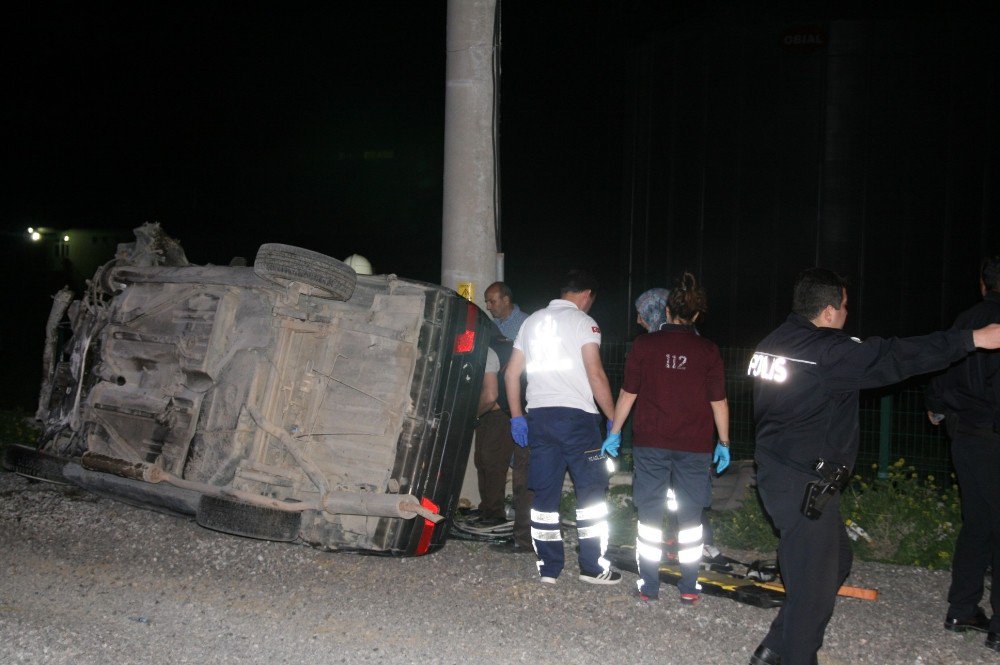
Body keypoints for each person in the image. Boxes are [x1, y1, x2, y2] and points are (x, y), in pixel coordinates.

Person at [747, 267, 1000, 665]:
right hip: (803, 483)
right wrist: (972, 339)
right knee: (813, 594)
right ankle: (792, 654)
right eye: (845, 306)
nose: (848, 313)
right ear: (828, 311)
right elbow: (897, 355)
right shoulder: (827, 352)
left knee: (837, 561)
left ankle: (775, 646)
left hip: (779, 473)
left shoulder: (773, 343)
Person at [602, 273, 730, 604]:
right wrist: (725, 443)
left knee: (649, 515)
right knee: (690, 519)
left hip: (651, 443)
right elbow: (719, 401)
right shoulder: (708, 350)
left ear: (667, 311)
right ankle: (689, 587)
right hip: (695, 445)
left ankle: (649, 586)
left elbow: (628, 393)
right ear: (698, 315)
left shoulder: (645, 345)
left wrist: (614, 432)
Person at [505, 269, 621, 584]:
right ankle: (593, 568)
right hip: (577, 420)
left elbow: (511, 373)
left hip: (539, 418)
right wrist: (613, 418)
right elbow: (595, 374)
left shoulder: (531, 322)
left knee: (544, 493)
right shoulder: (585, 323)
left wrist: (517, 416)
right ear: (587, 296)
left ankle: (549, 568)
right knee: (591, 492)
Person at [925, 255, 1000, 653]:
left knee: (978, 522)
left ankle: (962, 609)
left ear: (983, 283)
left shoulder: (966, 320)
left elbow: (943, 364)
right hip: (992, 434)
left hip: (967, 437)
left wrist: (937, 407)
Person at [472, 346, 511, 526]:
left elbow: (490, 396)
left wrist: (473, 415)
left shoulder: (488, 352)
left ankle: (495, 514)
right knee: (481, 460)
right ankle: (486, 509)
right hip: (486, 413)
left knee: (492, 461)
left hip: (499, 413)